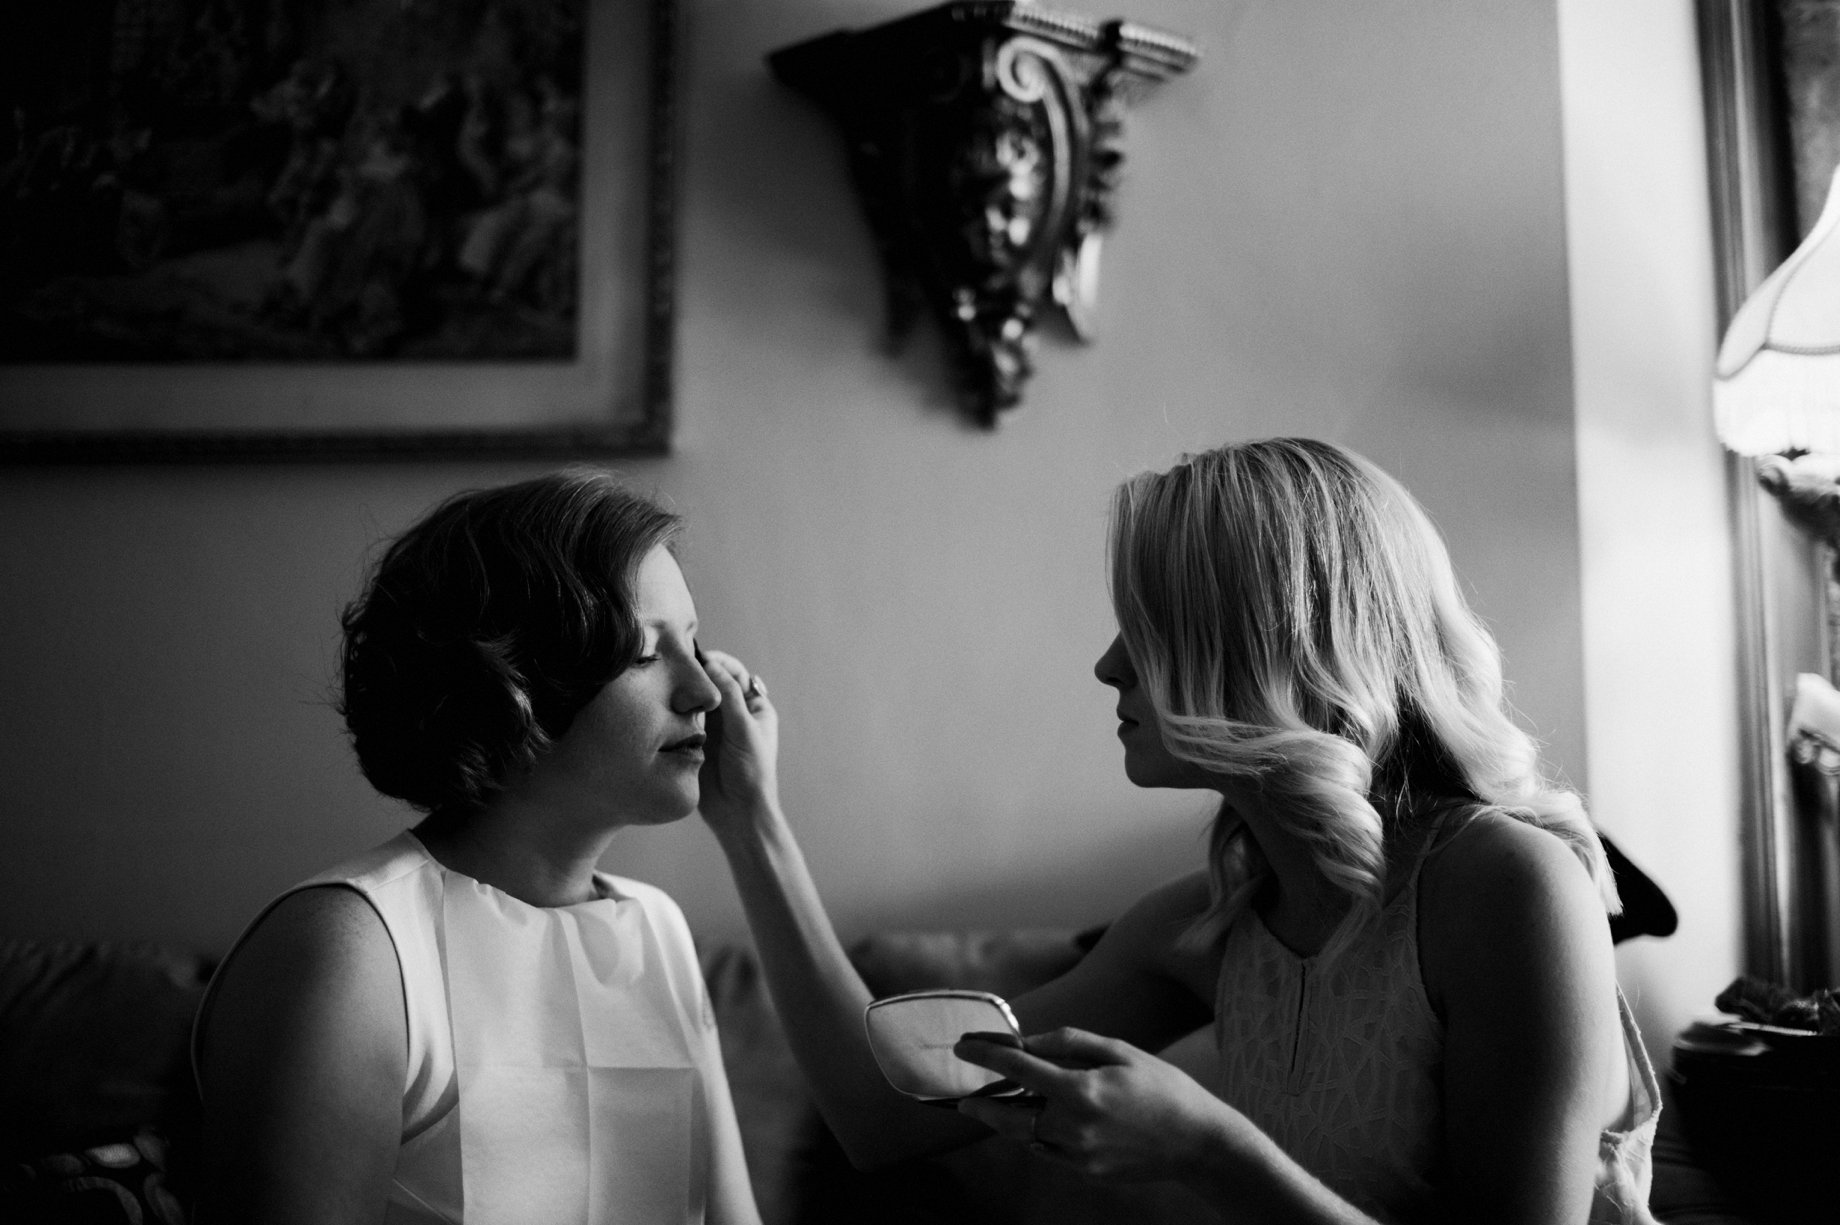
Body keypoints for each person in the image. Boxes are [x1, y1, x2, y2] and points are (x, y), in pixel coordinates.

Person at [695, 438, 1660, 1224]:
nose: (1109, 666)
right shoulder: (1206, 928)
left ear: (1267, 645)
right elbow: (882, 1113)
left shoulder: (1509, 887)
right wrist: (751, 821)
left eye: (1149, 630)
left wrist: (1209, 1148)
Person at [191, 471, 761, 1224]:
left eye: (694, 643)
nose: (708, 692)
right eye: (643, 653)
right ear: (511, 679)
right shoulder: (352, 950)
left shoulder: (658, 930)